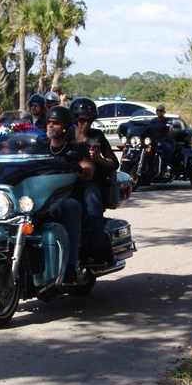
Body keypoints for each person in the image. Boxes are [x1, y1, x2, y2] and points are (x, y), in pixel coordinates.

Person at [44, 105, 94, 284]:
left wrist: (82, 169)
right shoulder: (40, 148)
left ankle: (71, 265)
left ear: (65, 126)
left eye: (56, 123)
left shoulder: (75, 149)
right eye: (49, 122)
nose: (51, 125)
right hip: (39, 198)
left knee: (71, 207)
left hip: (64, 197)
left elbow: (88, 168)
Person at [69, 97, 118, 262]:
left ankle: (98, 249)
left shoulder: (97, 136)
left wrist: (98, 159)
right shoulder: (66, 135)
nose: (86, 123)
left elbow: (114, 162)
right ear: (74, 119)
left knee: (92, 199)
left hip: (90, 182)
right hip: (66, 181)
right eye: (82, 119)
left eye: (90, 120)